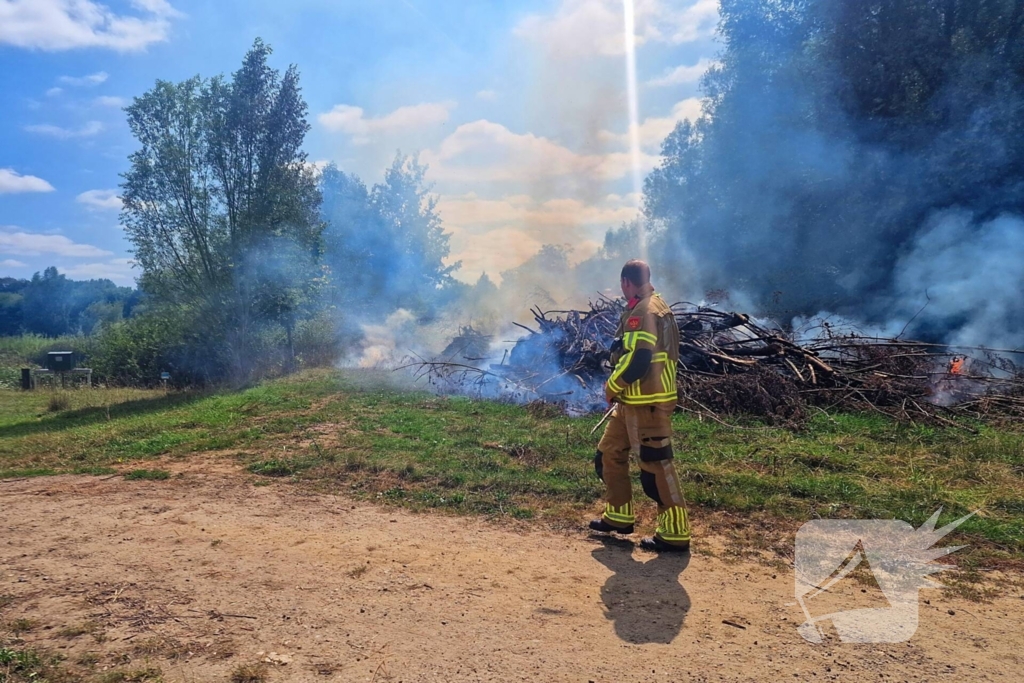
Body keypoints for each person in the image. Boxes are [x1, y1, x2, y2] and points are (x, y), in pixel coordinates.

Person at [589, 260, 692, 552]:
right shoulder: (651, 306)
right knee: (609, 453)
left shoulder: (645, 311)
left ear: (626, 282)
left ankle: (674, 533)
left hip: (648, 404)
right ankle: (618, 517)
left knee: (656, 467)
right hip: (631, 403)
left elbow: (639, 361)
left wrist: (612, 386)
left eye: (622, 285)